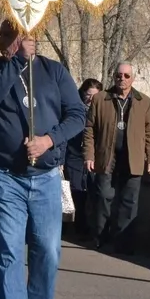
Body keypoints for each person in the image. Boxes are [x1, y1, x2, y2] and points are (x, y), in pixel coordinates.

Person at [0, 20, 85, 299]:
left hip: (46, 178)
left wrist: (48, 141)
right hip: (6, 177)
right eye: (2, 35)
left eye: (8, 35)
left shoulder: (54, 71)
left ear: (28, 37)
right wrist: (18, 62)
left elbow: (77, 115)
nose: (1, 39)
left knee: (47, 250)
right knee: (9, 252)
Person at [84, 63, 150, 255]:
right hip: (107, 156)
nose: (122, 79)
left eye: (126, 76)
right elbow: (89, 129)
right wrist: (89, 155)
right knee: (103, 196)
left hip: (132, 157)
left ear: (133, 78)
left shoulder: (143, 101)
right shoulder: (101, 99)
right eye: (118, 75)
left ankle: (124, 243)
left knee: (129, 200)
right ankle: (99, 237)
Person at [64, 78, 103, 238]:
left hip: (93, 156)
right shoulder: (75, 109)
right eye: (88, 95)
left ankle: (86, 227)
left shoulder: (102, 110)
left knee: (91, 193)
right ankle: (72, 227)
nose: (91, 99)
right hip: (74, 155)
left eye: (95, 95)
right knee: (75, 192)